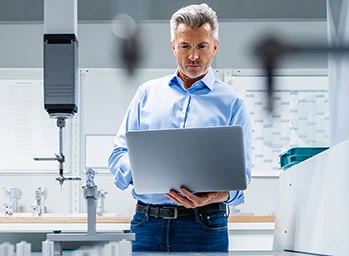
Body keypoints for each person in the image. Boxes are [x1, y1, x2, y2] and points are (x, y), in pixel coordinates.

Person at [108, 3, 252, 252]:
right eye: (185, 46)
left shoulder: (232, 103)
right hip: (147, 224)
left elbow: (241, 180)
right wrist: (144, 169)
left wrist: (213, 196)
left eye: (202, 46)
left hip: (205, 225)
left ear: (215, 47)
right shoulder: (147, 94)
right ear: (173, 46)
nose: (193, 56)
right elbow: (118, 156)